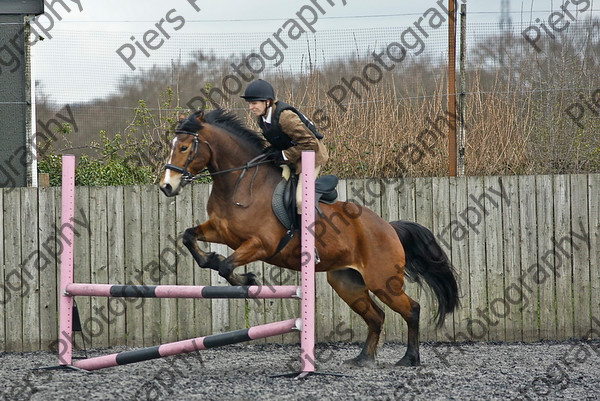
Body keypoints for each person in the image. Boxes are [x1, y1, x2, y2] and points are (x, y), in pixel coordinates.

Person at [241, 79, 329, 212]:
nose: (250, 107)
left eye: (254, 103)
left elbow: (310, 143)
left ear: (267, 102)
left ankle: (307, 231)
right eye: (249, 103)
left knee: (300, 200)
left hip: (311, 156)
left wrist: (282, 155)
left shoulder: (285, 117)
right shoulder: (263, 118)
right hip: (294, 157)